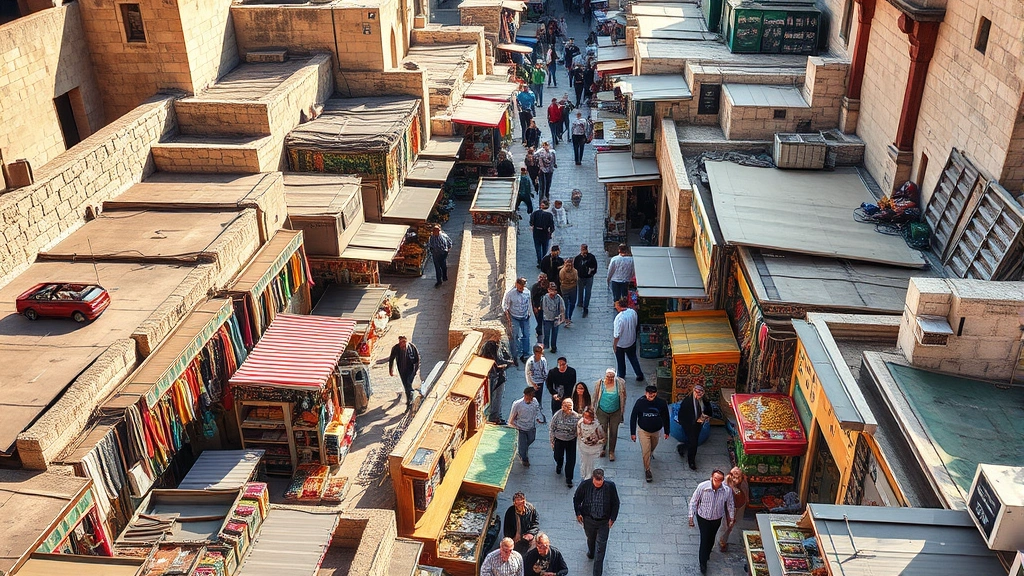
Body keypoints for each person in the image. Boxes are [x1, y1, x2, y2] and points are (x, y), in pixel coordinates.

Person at [573, 469, 620, 576]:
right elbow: (576, 499)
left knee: (600, 550)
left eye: (601, 481)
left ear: (603, 478)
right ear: (592, 479)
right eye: (596, 482)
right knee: (591, 538)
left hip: (603, 522)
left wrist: (612, 518)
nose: (598, 484)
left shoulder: (610, 486)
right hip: (589, 519)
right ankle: (591, 550)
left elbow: (616, 503)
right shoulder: (585, 485)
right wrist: (578, 513)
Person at [689, 470, 736, 575]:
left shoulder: (726, 491)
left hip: (716, 518)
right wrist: (691, 516)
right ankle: (703, 563)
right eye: (715, 479)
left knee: (711, 538)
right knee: (704, 539)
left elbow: (730, 504)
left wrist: (731, 518)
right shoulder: (703, 487)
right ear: (711, 478)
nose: (717, 482)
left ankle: (708, 551)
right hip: (703, 517)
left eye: (720, 480)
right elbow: (694, 501)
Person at [629, 385, 671, 483]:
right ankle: (647, 470)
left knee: (653, 446)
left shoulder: (661, 403)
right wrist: (632, 433)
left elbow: (666, 417)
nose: (650, 395)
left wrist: (667, 431)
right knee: (645, 450)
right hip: (643, 431)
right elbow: (633, 417)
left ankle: (650, 453)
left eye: (652, 393)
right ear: (645, 393)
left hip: (656, 430)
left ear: (655, 394)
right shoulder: (640, 402)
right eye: (648, 393)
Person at [592, 369, 626, 461]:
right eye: (608, 376)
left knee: (613, 432)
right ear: (605, 376)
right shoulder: (599, 383)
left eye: (612, 376)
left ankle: (611, 451)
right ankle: (602, 448)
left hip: (616, 411)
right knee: (602, 430)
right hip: (602, 411)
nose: (610, 378)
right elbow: (594, 397)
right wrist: (592, 409)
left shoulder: (620, 383)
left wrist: (622, 411)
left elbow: (624, 396)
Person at [677, 384, 712, 470]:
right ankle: (691, 461)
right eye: (697, 393)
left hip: (698, 424)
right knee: (693, 442)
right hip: (688, 424)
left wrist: (705, 416)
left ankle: (682, 447)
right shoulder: (687, 401)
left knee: (693, 441)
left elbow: (708, 409)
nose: (698, 396)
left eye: (700, 394)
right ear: (693, 392)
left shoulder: (704, 400)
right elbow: (681, 414)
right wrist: (685, 424)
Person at [509, 387, 543, 466]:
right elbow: (511, 418)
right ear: (525, 395)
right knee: (523, 445)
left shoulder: (534, 401)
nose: (531, 397)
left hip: (531, 426)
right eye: (529, 395)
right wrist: (514, 425)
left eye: (532, 395)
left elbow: (537, 411)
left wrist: (538, 418)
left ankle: (522, 449)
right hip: (521, 427)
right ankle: (523, 457)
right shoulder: (517, 404)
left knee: (531, 439)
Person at [549, 398, 580, 487]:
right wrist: (552, 441)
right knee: (557, 455)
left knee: (571, 460)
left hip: (571, 440)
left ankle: (569, 478)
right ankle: (559, 463)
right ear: (563, 407)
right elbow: (552, 427)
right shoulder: (557, 415)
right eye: (567, 407)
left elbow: (579, 428)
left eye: (571, 407)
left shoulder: (576, 416)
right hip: (559, 439)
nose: (569, 410)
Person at [613, 298, 645, 381]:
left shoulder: (619, 318)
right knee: (633, 358)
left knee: (620, 360)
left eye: (616, 306)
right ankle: (639, 374)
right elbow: (636, 324)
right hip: (631, 340)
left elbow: (617, 335)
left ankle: (621, 375)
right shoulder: (632, 312)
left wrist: (614, 345)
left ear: (620, 306)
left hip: (621, 343)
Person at [718, 467, 750, 552]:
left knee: (731, 524)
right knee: (727, 525)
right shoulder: (725, 483)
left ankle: (724, 539)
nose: (736, 479)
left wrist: (746, 500)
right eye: (734, 477)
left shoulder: (743, 483)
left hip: (738, 507)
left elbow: (745, 493)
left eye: (738, 477)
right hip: (727, 508)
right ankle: (723, 541)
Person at [503, 277, 533, 364]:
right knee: (514, 336)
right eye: (520, 287)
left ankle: (525, 354)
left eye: (523, 287)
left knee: (526, 336)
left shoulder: (527, 292)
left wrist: (529, 312)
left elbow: (529, 303)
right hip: (514, 317)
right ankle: (514, 356)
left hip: (525, 317)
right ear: (517, 285)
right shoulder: (510, 294)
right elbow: (505, 306)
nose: (521, 289)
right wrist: (508, 319)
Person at [482, 339, 513, 424]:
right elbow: (496, 361)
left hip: (498, 376)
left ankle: (496, 415)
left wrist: (506, 363)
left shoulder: (499, 345)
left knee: (497, 398)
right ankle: (493, 417)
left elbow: (504, 358)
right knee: (494, 397)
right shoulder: (490, 346)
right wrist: (505, 364)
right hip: (494, 376)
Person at [388, 336, 421, 409]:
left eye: (404, 342)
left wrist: (417, 370)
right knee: (406, 386)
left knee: (409, 385)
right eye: (401, 342)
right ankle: (410, 399)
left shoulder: (412, 347)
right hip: (402, 370)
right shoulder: (395, 348)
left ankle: (410, 403)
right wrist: (391, 370)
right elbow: (391, 359)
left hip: (411, 370)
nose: (403, 344)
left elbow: (417, 359)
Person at [503, 492, 540, 557]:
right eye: (519, 503)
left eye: (523, 502)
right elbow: (507, 529)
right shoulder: (510, 512)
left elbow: (536, 523)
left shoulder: (531, 509)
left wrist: (531, 533)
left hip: (528, 537)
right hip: (516, 539)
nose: (522, 505)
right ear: (514, 503)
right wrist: (511, 539)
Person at [576, 407, 605, 480]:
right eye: (584, 417)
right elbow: (579, 434)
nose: (585, 419)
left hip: (594, 449)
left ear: (592, 418)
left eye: (588, 418)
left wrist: (596, 442)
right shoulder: (580, 423)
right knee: (584, 463)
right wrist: (583, 440)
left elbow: (602, 438)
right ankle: (585, 476)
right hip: (584, 448)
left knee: (592, 464)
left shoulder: (597, 426)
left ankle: (592, 477)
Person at [573, 244, 598, 317]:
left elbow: (595, 266)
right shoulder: (578, 258)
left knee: (588, 292)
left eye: (585, 249)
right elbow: (575, 267)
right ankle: (580, 302)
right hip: (580, 277)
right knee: (580, 291)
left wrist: (592, 273)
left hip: (589, 277)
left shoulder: (591, 257)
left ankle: (585, 306)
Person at [540, 284, 565, 353]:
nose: (553, 292)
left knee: (555, 334)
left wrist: (561, 317)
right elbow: (545, 308)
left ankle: (554, 347)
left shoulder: (558, 298)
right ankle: (545, 346)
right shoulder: (545, 298)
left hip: (556, 319)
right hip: (547, 319)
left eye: (554, 290)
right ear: (548, 290)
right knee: (546, 333)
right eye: (551, 290)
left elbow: (562, 307)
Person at [524, 343, 548, 411]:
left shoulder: (543, 360)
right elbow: (528, 374)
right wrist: (533, 384)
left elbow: (545, 371)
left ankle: (538, 409)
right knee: (532, 399)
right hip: (533, 383)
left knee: (539, 398)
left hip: (541, 382)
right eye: (538, 351)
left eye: (541, 351)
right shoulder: (530, 362)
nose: (540, 353)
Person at [557, 259, 578, 325]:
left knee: (573, 303)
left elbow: (575, 279)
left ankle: (570, 316)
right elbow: (563, 279)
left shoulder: (575, 271)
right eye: (567, 265)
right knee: (565, 304)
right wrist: (570, 281)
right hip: (564, 288)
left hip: (573, 288)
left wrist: (570, 281)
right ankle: (566, 317)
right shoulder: (562, 271)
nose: (569, 267)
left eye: (570, 265)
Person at [530, 273, 549, 338]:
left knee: (542, 319)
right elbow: (532, 298)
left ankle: (540, 331)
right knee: (538, 319)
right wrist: (534, 307)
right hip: (537, 306)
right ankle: (538, 331)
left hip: (544, 306)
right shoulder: (535, 287)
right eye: (540, 277)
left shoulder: (547, 286)